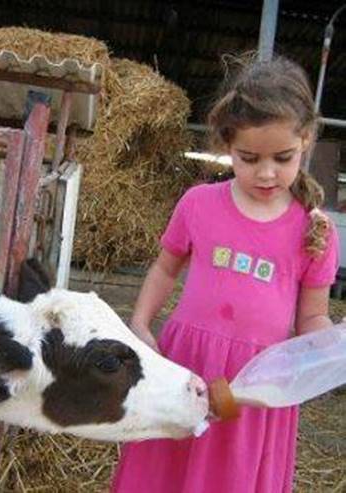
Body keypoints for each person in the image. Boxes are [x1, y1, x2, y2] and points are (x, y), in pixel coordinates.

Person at [111, 53, 340, 493]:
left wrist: (326, 348)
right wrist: (139, 323)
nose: (266, 172)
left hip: (257, 389)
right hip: (185, 365)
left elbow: (312, 316)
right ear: (226, 145)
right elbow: (164, 268)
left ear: (307, 140)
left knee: (230, 476)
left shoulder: (314, 230)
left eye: (283, 157)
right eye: (248, 158)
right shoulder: (198, 203)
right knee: (164, 469)